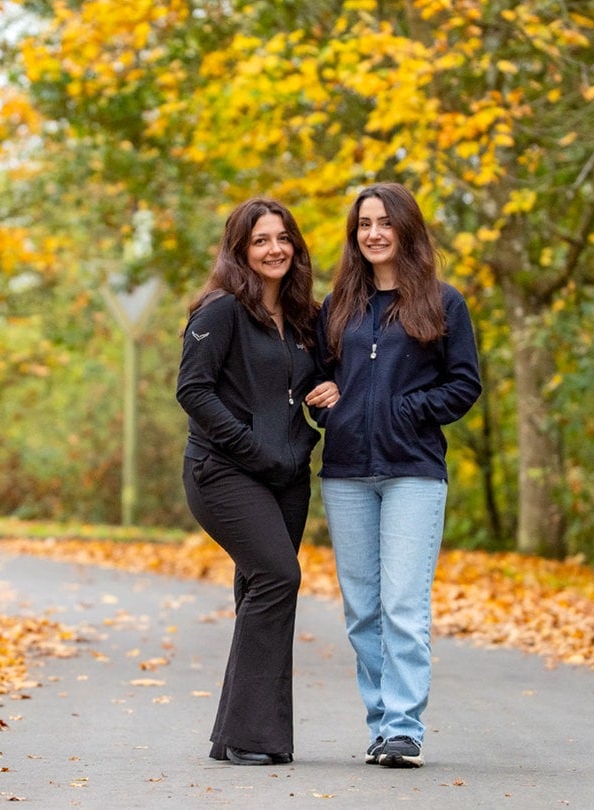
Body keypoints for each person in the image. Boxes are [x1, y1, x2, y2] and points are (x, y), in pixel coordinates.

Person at [314, 183, 481, 769]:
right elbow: (318, 379)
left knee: (404, 605)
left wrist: (408, 409)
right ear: (355, 235)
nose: (374, 233)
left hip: (413, 472)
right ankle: (381, 724)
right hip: (346, 474)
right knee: (363, 609)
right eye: (364, 224)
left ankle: (405, 727)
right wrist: (325, 403)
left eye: (385, 223)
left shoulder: (443, 303)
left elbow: (465, 384)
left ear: (406, 230)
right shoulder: (337, 306)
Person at [176, 197, 339, 766]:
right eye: (260, 240)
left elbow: (310, 387)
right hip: (222, 470)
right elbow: (192, 392)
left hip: (288, 475)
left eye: (282, 238)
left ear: (295, 246)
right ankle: (250, 736)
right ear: (241, 250)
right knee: (277, 575)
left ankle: (236, 736)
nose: (274, 249)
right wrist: (251, 446)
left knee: (258, 590)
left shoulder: (302, 319)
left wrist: (330, 394)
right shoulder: (220, 313)